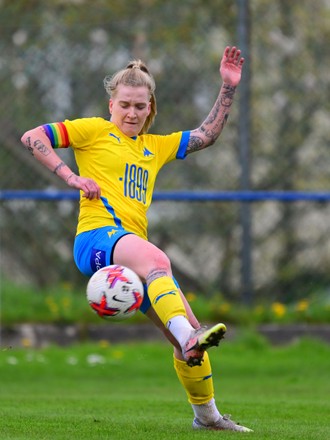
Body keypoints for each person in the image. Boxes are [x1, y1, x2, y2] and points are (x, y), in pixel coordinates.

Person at [21, 45, 252, 432]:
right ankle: (190, 334)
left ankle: (207, 417)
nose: (131, 113)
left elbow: (208, 134)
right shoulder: (93, 130)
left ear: (150, 107)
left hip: (132, 254)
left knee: (187, 346)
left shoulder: (154, 147)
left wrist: (227, 87)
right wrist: (71, 177)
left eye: (140, 106)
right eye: (124, 104)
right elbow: (33, 137)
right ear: (111, 103)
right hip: (97, 239)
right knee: (160, 264)